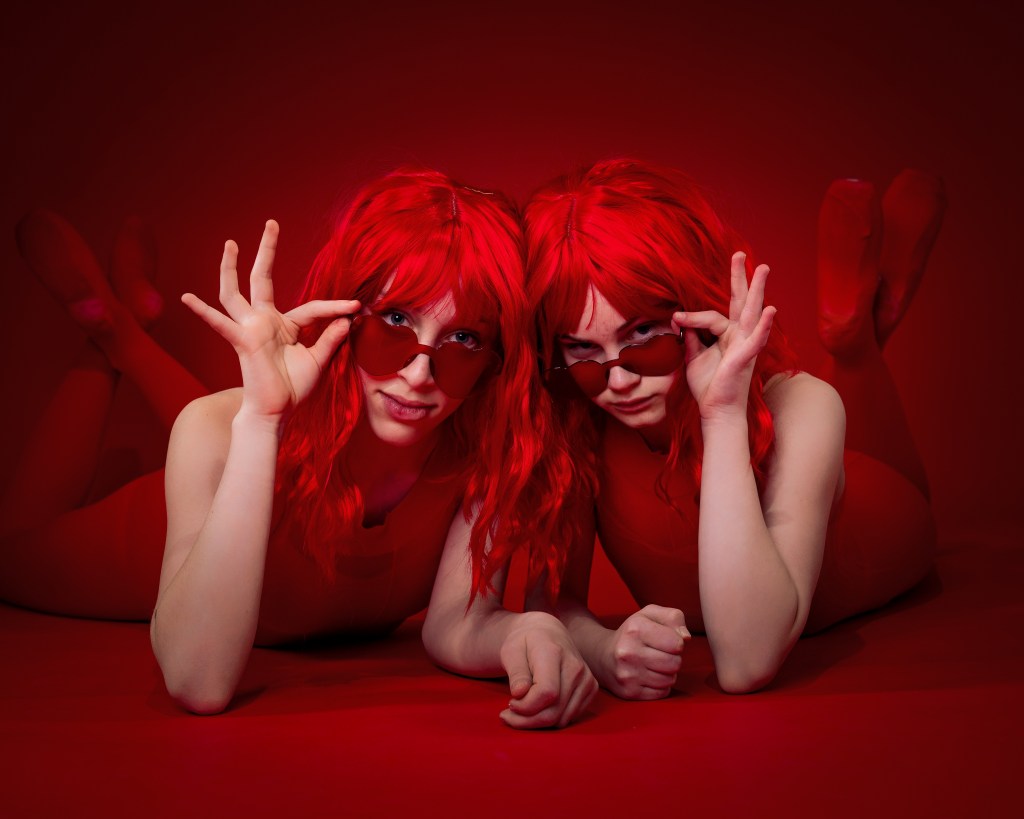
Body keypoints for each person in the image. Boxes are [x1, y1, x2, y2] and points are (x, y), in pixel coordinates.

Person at [1, 167, 596, 725]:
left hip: (273, 438)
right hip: (166, 530)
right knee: (13, 552)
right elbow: (196, 680)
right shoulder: (220, 430)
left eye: (463, 337)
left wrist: (527, 631)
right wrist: (261, 421)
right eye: (394, 321)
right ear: (346, 313)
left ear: (498, 359)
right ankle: (109, 333)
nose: (419, 373)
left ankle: (123, 326)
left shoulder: (484, 454)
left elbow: (456, 624)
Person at [523, 158, 943, 697]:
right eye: (582, 351)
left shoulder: (804, 407)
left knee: (851, 416)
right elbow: (553, 605)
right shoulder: (576, 426)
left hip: (885, 514)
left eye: (644, 335)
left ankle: (852, 338)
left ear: (696, 307)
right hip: (811, 464)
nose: (619, 379)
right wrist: (603, 652)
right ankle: (856, 331)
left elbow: (747, 660)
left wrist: (720, 413)